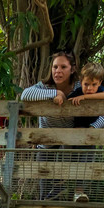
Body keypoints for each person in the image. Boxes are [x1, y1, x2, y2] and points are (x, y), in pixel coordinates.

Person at [19, 49, 78, 200]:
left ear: (72, 69)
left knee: (63, 189)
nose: (58, 71)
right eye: (55, 67)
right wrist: (55, 94)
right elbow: (25, 95)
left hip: (70, 143)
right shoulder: (45, 86)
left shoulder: (79, 88)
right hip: (46, 142)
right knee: (45, 191)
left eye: (63, 67)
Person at [64, 62, 104, 202]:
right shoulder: (76, 92)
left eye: (94, 85)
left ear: (99, 83)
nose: (90, 88)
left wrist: (85, 98)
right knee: (70, 162)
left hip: (90, 135)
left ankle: (79, 192)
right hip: (74, 136)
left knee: (86, 162)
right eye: (86, 84)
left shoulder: (97, 92)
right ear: (81, 82)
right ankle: (63, 190)